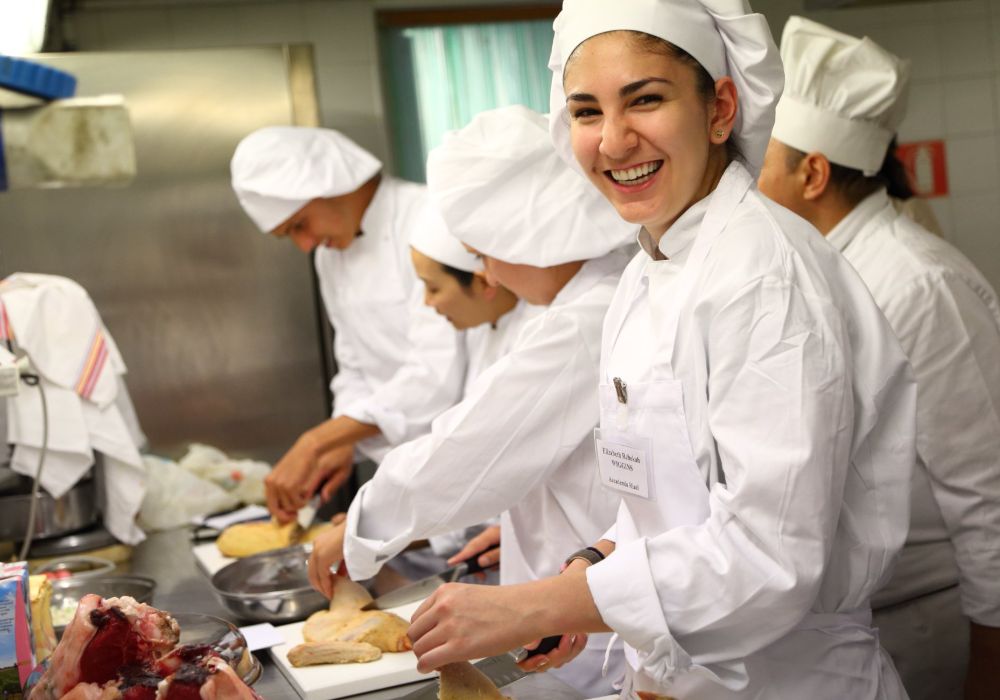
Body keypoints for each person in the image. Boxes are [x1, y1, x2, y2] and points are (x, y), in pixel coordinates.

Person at [404, 1, 918, 698]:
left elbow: (769, 558)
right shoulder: (653, 265)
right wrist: (586, 574)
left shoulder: (763, 277)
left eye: (644, 100)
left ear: (720, 108)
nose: (613, 142)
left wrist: (535, 604)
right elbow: (666, 500)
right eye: (586, 112)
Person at [307, 105, 635, 697]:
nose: (490, 274)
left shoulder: (586, 318)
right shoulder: (588, 301)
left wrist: (363, 525)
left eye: (485, 253)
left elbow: (473, 448)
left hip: (604, 648)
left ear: (527, 239)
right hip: (580, 602)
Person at [757, 17, 1000, 700]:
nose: (750, 183)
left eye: (764, 161)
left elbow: (988, 495)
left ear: (812, 173)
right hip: (850, 629)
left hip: (930, 628)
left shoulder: (919, 283)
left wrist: (991, 666)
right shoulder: (821, 268)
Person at [230, 127, 465, 522]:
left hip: (461, 457)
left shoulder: (427, 218)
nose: (304, 245)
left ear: (331, 185)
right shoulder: (330, 254)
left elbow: (439, 371)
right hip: (399, 472)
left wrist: (319, 440)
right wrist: (342, 442)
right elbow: (354, 362)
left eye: (300, 224)